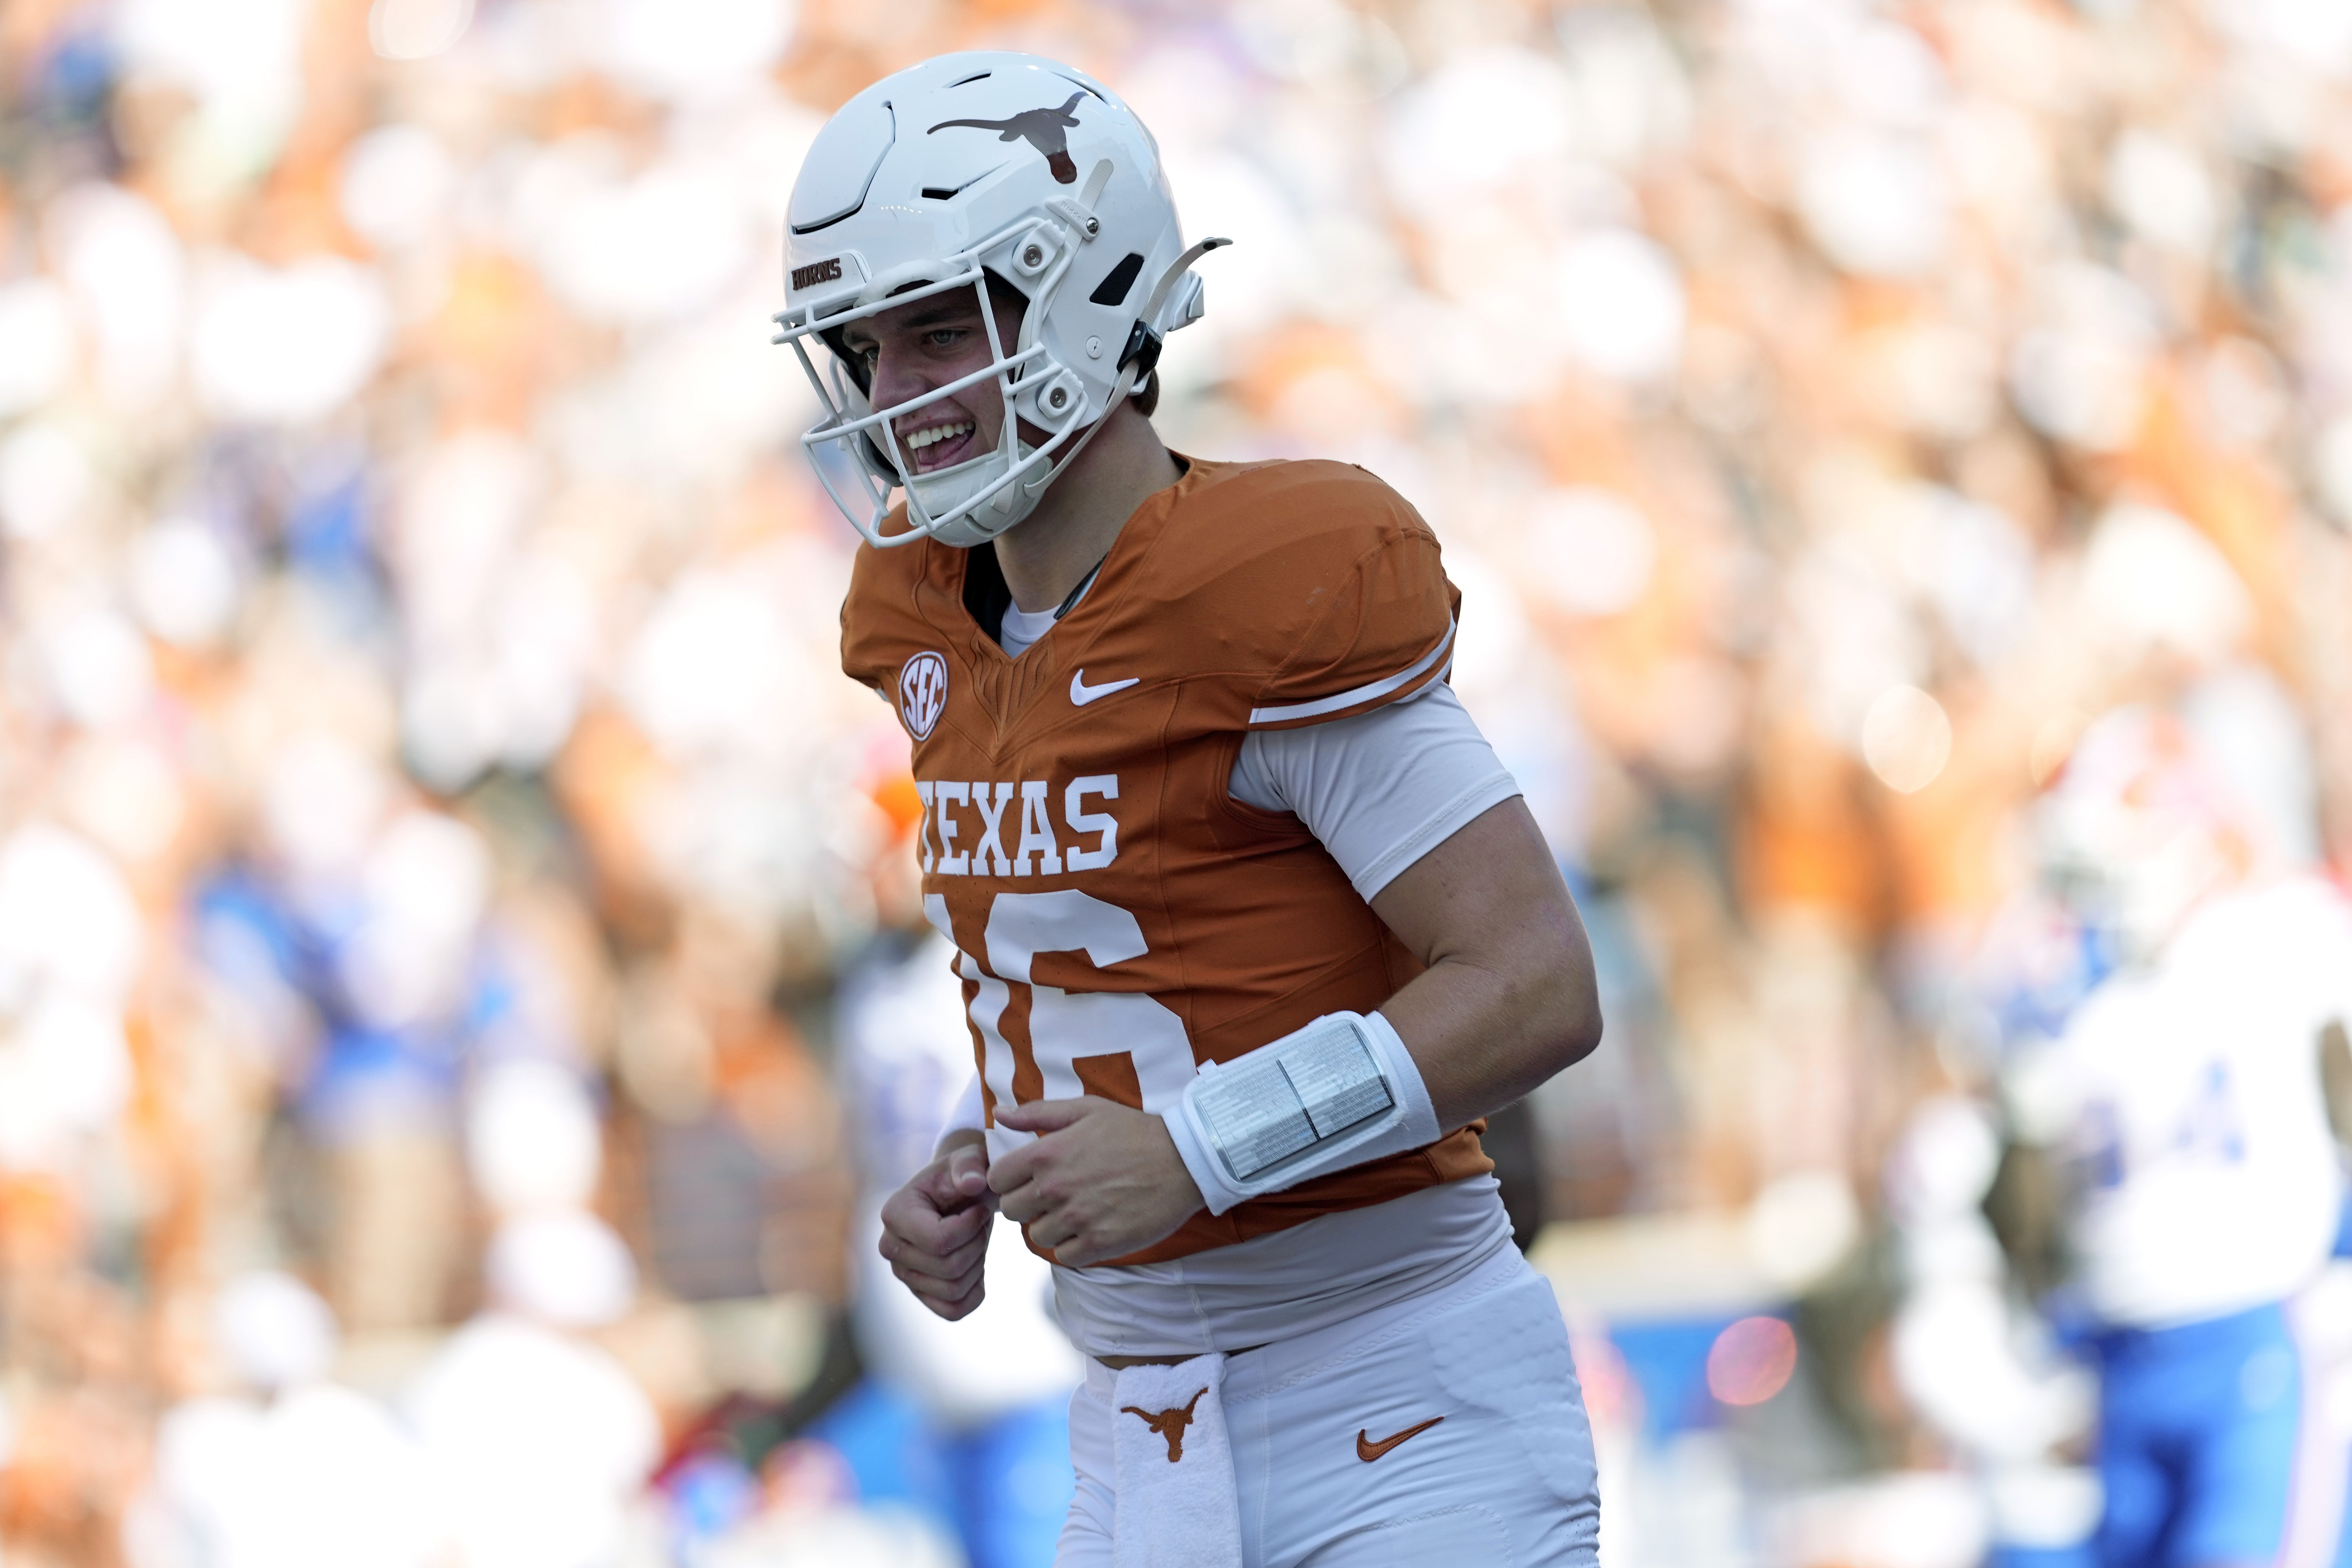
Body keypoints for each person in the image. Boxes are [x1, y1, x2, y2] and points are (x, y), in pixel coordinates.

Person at [774, 50, 1605, 1567]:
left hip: (1397, 1399)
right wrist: (983, 1167)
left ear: (1088, 296)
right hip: (1133, 1425)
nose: (904, 395)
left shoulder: (1262, 584)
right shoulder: (924, 625)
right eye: (867, 347)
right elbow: (1141, 978)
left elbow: (1537, 981)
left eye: (943, 328)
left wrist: (1196, 1149)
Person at [1990, 706, 2352, 1568]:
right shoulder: (2056, 998)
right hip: (2119, 1362)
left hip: (2256, 1345)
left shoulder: (2281, 934)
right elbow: (2018, 1210)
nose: (2089, 892)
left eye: (2105, 858)